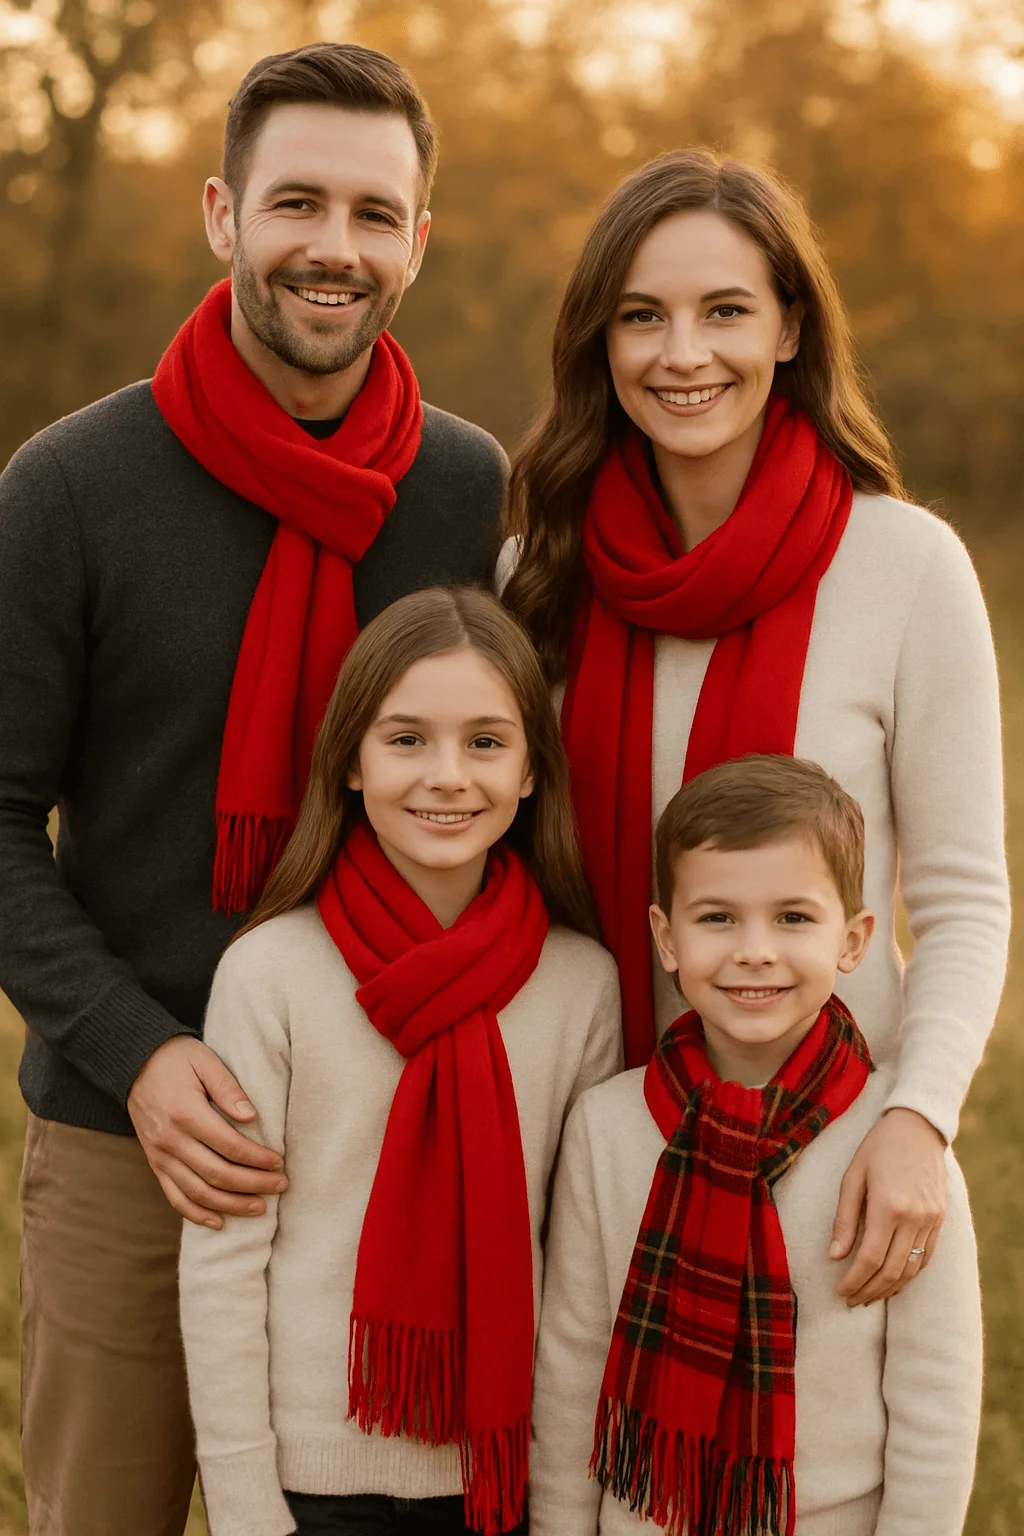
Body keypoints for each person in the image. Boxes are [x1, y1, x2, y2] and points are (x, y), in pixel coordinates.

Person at [0, 43, 508, 1535]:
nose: (332, 248)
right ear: (223, 214)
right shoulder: (71, 488)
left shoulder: (469, 496)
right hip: (136, 1138)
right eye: (298, 203)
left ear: (420, 238)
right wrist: (140, 1054)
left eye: (373, 213)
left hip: (406, 1130)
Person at [501, 148, 1008, 1310]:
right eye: (642, 317)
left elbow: (963, 896)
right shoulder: (539, 576)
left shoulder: (904, 567)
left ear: (788, 328)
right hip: (588, 1152)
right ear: (601, 345)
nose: (683, 354)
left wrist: (918, 1119)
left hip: (833, 1155)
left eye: (724, 310)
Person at [178, 586, 622, 1536]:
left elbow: (582, 1272)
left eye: (488, 742)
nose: (448, 776)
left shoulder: (581, 984)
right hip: (311, 1479)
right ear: (349, 762)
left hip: (503, 1474)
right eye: (407, 739)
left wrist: (564, 1505)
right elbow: (223, 1260)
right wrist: (245, 1503)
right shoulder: (272, 973)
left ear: (535, 772)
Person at [530, 755, 983, 1536]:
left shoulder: (896, 1146)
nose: (754, 950)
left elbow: (935, 1401)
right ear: (666, 939)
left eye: (793, 918)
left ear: (855, 939)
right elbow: (571, 1369)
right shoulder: (607, 1127)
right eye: (717, 919)